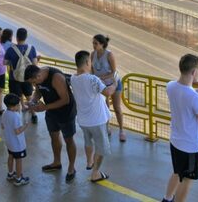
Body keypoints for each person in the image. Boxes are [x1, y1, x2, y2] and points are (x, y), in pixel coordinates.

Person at [162, 54, 198, 202]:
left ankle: (167, 198)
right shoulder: (195, 98)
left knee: (177, 172)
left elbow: (184, 95)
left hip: (175, 141)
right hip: (189, 147)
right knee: (187, 180)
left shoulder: (170, 86)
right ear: (194, 72)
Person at [25, 65, 77, 183]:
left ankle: (71, 167)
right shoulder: (38, 78)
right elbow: (38, 91)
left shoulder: (56, 77)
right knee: (54, 136)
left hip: (66, 112)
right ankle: (57, 162)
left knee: (69, 139)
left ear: (38, 75)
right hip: (51, 111)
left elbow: (65, 100)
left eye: (34, 82)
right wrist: (33, 101)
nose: (34, 85)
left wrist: (45, 107)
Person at [71, 50, 117, 182]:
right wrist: (115, 83)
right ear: (86, 62)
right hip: (97, 120)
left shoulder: (74, 78)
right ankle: (95, 173)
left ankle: (89, 162)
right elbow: (107, 92)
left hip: (83, 120)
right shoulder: (92, 79)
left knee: (88, 141)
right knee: (101, 148)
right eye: (90, 61)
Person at [91, 34, 125, 142]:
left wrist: (100, 77)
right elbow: (92, 70)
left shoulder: (109, 55)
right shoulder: (92, 54)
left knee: (117, 107)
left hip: (113, 83)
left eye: (96, 43)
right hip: (101, 84)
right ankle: (107, 127)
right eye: (93, 43)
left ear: (102, 44)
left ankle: (121, 130)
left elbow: (114, 72)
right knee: (104, 107)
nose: (94, 45)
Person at [4, 28, 38, 124]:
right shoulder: (31, 48)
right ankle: (34, 115)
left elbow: (4, 62)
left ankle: (17, 119)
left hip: (14, 78)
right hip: (28, 78)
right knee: (29, 97)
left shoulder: (11, 49)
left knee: (16, 99)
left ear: (17, 37)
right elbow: (35, 64)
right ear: (26, 37)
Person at [1, 93, 30, 186]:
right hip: (17, 145)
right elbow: (17, 131)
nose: (19, 106)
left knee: (10, 156)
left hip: (9, 143)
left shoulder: (4, 113)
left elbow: (2, 126)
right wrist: (25, 126)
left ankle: (10, 174)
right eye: (18, 104)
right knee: (18, 160)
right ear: (15, 106)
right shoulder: (15, 116)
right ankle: (19, 178)